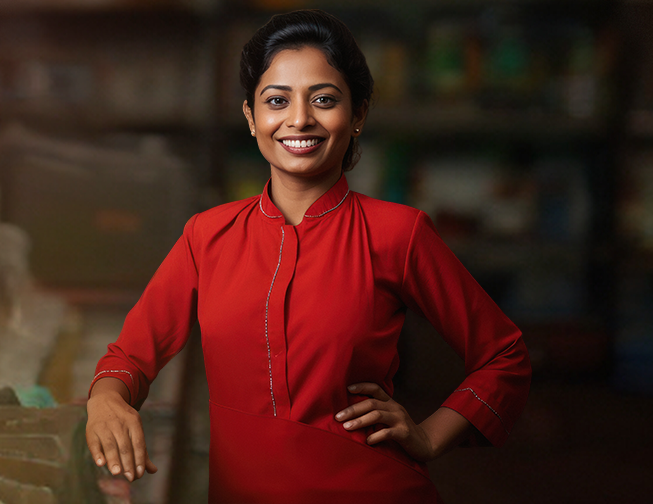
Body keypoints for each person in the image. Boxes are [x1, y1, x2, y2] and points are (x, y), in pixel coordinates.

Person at [83, 9, 531, 503]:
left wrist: (429, 435)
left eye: (324, 100)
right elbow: (129, 357)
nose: (299, 119)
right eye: (277, 100)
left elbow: (503, 355)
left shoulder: (397, 234)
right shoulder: (207, 236)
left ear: (357, 115)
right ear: (252, 118)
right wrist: (106, 400)